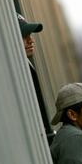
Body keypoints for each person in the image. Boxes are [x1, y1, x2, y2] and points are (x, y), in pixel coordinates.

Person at [17, 13, 55, 144]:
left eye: (30, 35)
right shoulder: (14, 73)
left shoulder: (26, 65)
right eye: (24, 36)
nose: (31, 40)